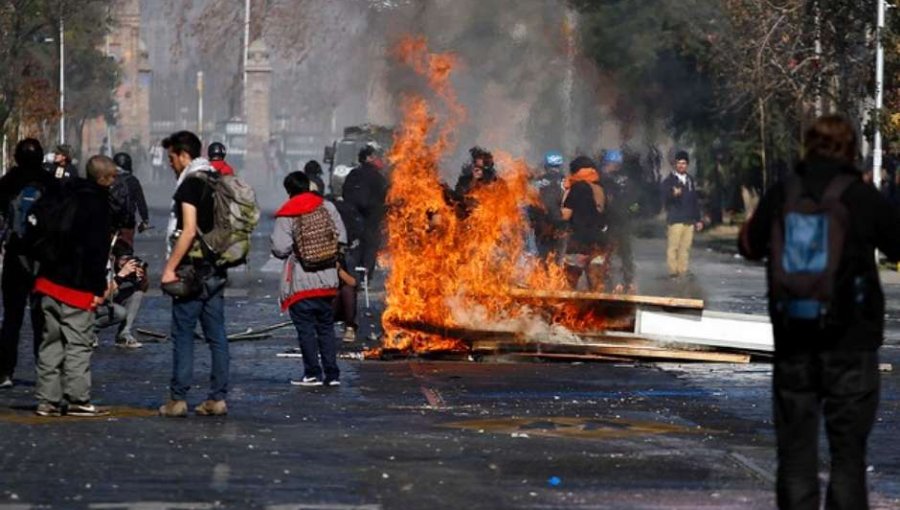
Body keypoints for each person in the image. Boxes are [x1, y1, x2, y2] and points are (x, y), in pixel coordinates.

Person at [739, 115, 900, 509]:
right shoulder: (859, 197)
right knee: (847, 458)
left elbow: (749, 245)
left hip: (794, 338)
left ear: (806, 146)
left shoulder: (783, 192)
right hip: (852, 344)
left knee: (796, 455)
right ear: (851, 150)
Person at [32, 155, 117, 417]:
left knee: (51, 342)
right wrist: (98, 288)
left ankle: (47, 400)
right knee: (78, 344)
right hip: (77, 285)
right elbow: (96, 252)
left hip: (48, 279)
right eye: (113, 177)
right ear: (105, 178)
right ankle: (77, 398)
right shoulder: (99, 205)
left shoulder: (64, 193)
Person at [158, 130, 229, 418]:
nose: (170, 164)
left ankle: (177, 399)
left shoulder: (190, 185)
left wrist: (169, 269)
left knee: (184, 334)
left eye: (171, 157)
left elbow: (188, 231)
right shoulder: (217, 179)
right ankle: (218, 398)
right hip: (216, 269)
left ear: (183, 154)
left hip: (191, 272)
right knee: (217, 336)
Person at [271, 171, 347, 386]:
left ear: (289, 191)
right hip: (328, 280)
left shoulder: (288, 213)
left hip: (301, 283)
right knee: (326, 328)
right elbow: (341, 237)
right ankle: (332, 375)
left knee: (305, 330)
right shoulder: (327, 206)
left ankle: (312, 373)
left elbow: (279, 248)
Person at [0, 139, 56, 388]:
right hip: (43, 259)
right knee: (41, 318)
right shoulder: (51, 184)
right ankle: (44, 370)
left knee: (11, 318)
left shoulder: (8, 181)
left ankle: (4, 371)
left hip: (15, 256)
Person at [561, 156, 608, 291]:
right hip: (599, 242)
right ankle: (599, 310)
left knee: (570, 283)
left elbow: (565, 215)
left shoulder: (576, 188)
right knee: (597, 285)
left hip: (578, 242)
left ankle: (569, 311)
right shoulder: (600, 188)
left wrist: (565, 193)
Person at [342, 144, 388, 276]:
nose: (376, 159)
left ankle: (353, 274)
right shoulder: (376, 176)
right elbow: (384, 195)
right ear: (367, 158)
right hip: (372, 219)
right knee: (370, 247)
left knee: (355, 247)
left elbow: (346, 194)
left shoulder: (353, 174)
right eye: (373, 156)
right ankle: (366, 275)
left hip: (353, 219)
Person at [93, 241, 147, 349]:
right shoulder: (103, 265)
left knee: (137, 292)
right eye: (123, 259)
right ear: (113, 258)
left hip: (107, 301)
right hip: (91, 304)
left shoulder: (125, 267)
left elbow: (144, 288)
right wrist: (121, 275)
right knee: (120, 313)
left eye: (129, 259)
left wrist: (142, 277)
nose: (125, 263)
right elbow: (101, 296)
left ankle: (124, 334)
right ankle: (89, 331)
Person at [599, 149, 638, 293]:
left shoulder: (605, 180)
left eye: (609, 164)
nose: (608, 167)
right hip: (621, 221)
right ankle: (626, 282)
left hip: (612, 222)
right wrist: (631, 211)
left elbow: (603, 201)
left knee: (611, 253)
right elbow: (635, 202)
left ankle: (612, 282)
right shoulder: (626, 180)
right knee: (623, 253)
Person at [660, 151, 703, 277]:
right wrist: (672, 194)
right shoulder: (669, 181)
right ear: (675, 164)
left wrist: (698, 220)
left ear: (687, 165)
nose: (681, 166)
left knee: (685, 249)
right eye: (679, 163)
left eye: (684, 163)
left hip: (689, 220)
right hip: (675, 219)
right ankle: (673, 272)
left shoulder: (690, 180)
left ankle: (683, 271)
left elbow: (694, 201)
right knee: (673, 248)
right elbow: (663, 198)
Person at [528, 151, 566, 263]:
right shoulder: (567, 181)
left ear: (546, 166)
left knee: (542, 257)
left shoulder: (538, 181)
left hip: (542, 224)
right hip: (561, 224)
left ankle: (544, 277)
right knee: (559, 258)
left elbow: (531, 200)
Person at [111, 152, 150, 248]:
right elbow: (141, 203)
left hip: (111, 221)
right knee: (126, 248)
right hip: (127, 222)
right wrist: (145, 220)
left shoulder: (109, 179)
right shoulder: (133, 181)